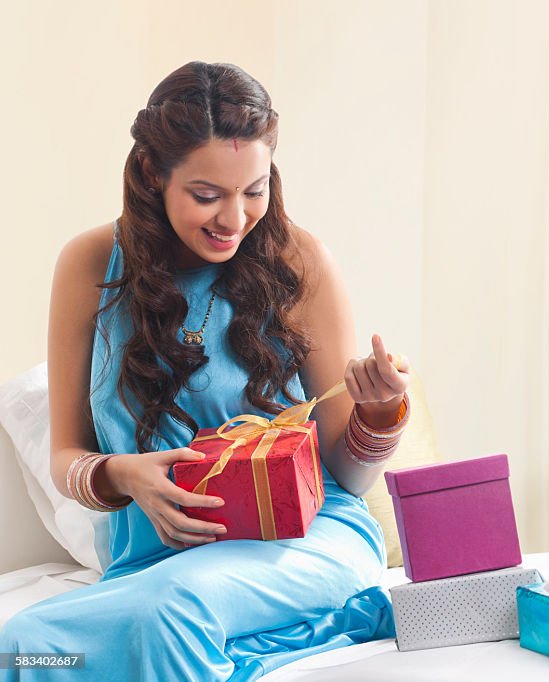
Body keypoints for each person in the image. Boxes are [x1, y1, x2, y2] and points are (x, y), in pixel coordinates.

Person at [0, 61, 410, 681]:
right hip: (153, 566)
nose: (235, 220)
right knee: (26, 645)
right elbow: (66, 456)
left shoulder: (299, 260)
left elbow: (346, 478)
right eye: (207, 195)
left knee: (174, 609)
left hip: (304, 544)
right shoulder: (90, 265)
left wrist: (378, 415)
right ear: (150, 172)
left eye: (254, 190)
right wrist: (122, 475)